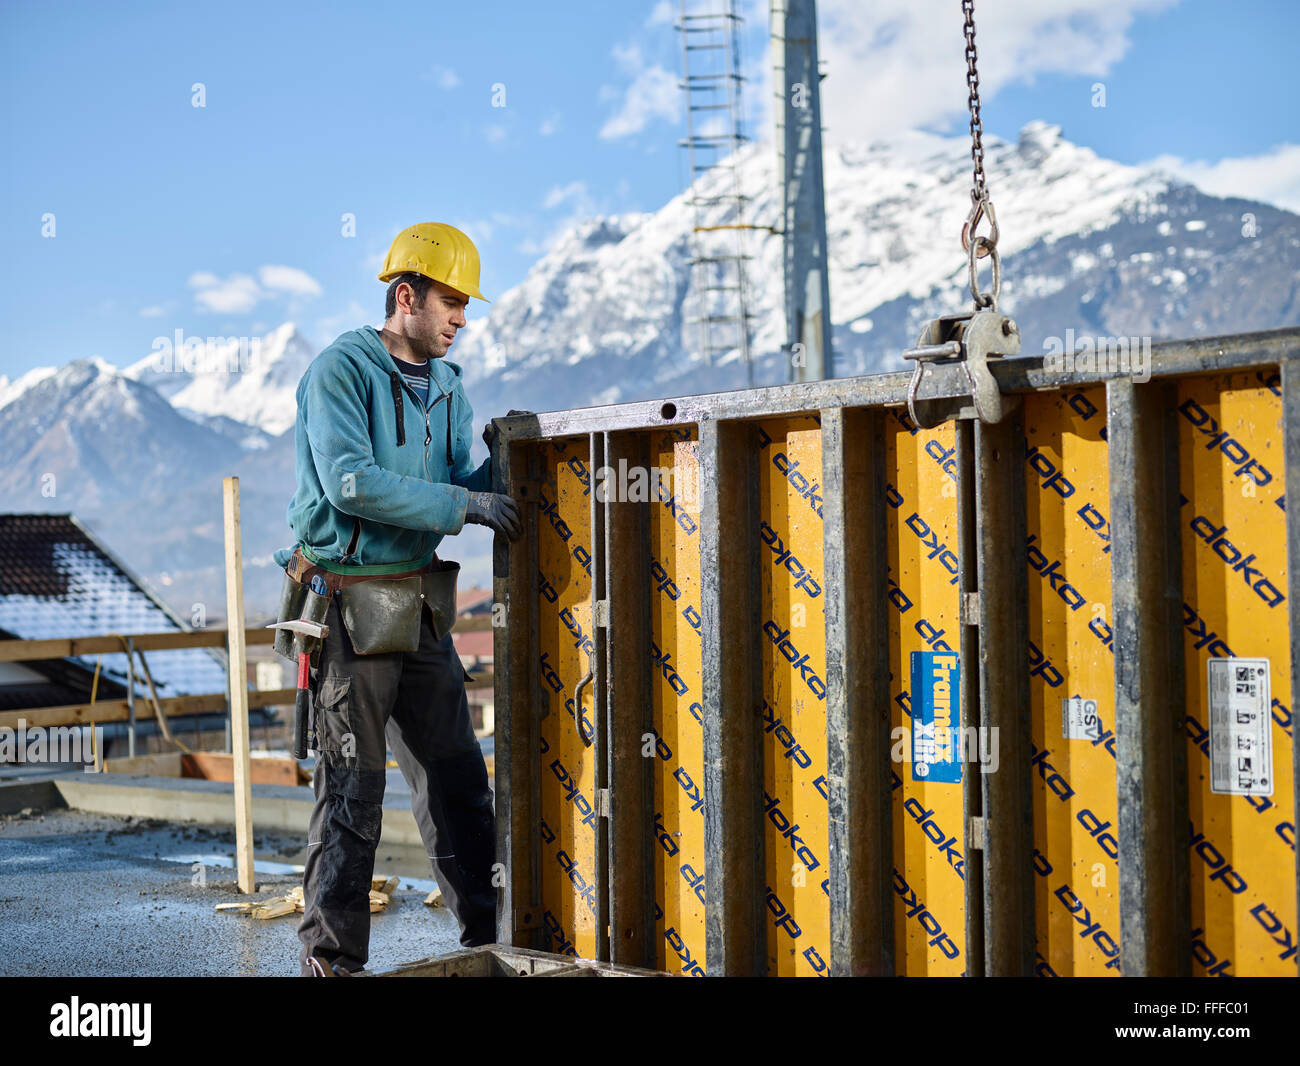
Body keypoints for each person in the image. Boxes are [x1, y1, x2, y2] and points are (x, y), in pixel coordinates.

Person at [270, 222, 523, 976]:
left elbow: (451, 486)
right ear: (405, 296)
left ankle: (487, 935)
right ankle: (332, 961)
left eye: (465, 307)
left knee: (457, 777)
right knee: (354, 789)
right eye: (451, 302)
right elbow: (354, 483)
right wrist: (465, 506)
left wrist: (502, 465)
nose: (461, 319)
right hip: (347, 607)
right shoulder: (339, 372)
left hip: (415, 607)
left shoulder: (447, 387)